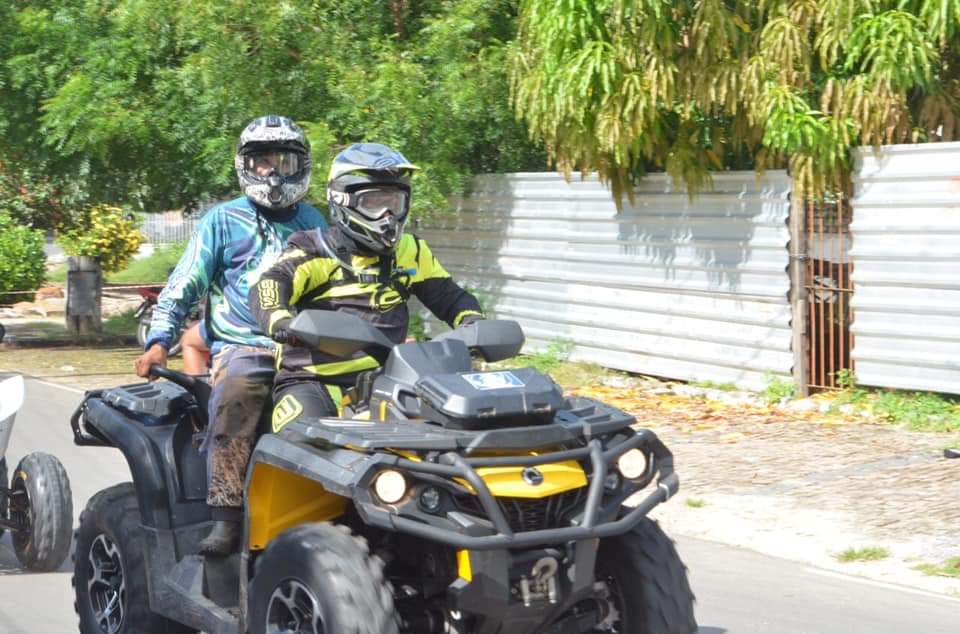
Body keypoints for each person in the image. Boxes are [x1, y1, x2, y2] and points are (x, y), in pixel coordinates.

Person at [135, 115, 327, 555]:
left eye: (284, 160)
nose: (274, 172)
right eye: (262, 162)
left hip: (307, 348)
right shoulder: (222, 221)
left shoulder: (315, 219)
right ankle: (225, 515)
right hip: (245, 349)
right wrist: (159, 341)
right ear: (246, 166)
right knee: (238, 392)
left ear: (302, 165)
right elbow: (183, 285)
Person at [249, 143, 483, 427]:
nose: (387, 216)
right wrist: (281, 321)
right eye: (373, 203)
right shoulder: (314, 249)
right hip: (312, 380)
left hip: (389, 379)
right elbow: (271, 284)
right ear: (342, 199)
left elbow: (450, 298)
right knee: (307, 441)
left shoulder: (410, 250)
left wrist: (473, 324)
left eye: (393, 203)